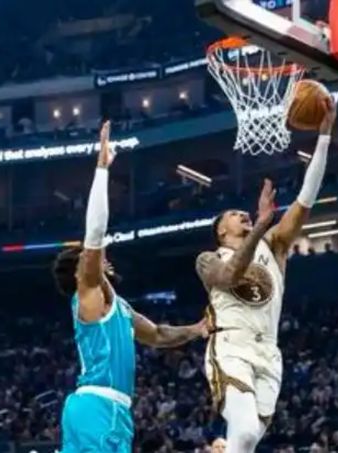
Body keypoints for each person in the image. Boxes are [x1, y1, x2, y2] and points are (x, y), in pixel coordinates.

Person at [53, 121, 209, 453]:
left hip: (98, 409)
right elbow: (95, 234)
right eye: (91, 258)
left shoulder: (118, 307)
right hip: (101, 406)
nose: (102, 256)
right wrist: (102, 169)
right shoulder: (88, 292)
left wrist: (197, 329)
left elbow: (158, 335)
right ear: (81, 270)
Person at [195, 96, 337, 452]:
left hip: (269, 353)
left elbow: (306, 199)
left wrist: (323, 136)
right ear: (221, 231)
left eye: (244, 212)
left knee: (243, 444)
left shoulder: (274, 245)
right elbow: (230, 277)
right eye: (234, 214)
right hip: (232, 346)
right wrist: (259, 225)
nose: (242, 214)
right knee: (243, 434)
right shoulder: (208, 259)